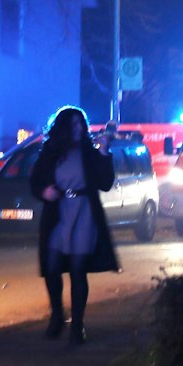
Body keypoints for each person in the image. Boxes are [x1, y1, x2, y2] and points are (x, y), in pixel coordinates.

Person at [29, 105, 119, 344]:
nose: (79, 128)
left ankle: (78, 325)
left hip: (84, 212)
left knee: (78, 268)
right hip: (58, 212)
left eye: (82, 124)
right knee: (52, 265)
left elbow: (105, 183)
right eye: (74, 124)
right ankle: (57, 314)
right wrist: (43, 191)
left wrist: (104, 151)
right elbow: (36, 181)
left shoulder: (89, 151)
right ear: (64, 128)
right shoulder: (51, 151)